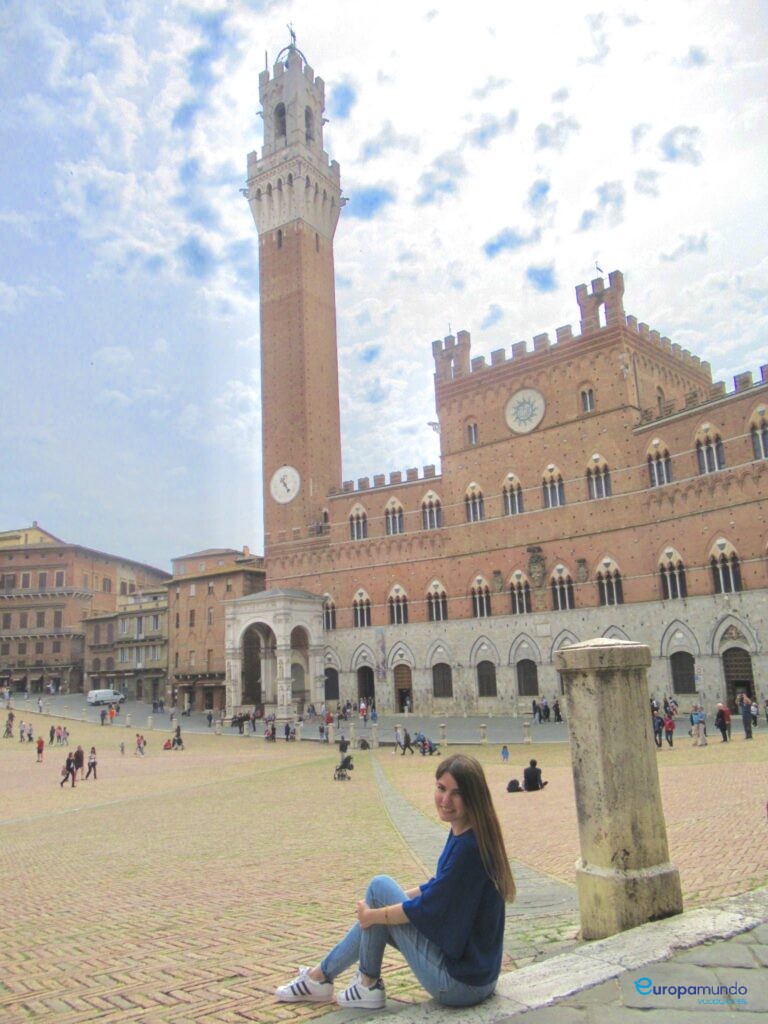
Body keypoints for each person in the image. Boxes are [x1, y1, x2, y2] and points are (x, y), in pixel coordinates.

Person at [275, 754, 515, 1009]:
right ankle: (329, 979)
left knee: (379, 890)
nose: (445, 800)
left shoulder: (467, 849)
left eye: (456, 793)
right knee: (380, 899)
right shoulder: (468, 832)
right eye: (441, 789)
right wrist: (382, 908)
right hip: (479, 977)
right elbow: (438, 889)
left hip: (459, 985)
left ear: (473, 797)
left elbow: (428, 908)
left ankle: (351, 982)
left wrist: (376, 915)